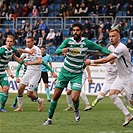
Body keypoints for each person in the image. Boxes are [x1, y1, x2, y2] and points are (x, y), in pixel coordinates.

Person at [43, 22, 111, 125]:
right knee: (56, 95)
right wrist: (62, 50)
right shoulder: (68, 41)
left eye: (77, 30)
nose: (75, 32)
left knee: (75, 97)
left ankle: (76, 110)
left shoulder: (86, 42)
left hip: (77, 74)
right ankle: (49, 119)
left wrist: (112, 54)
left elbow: (100, 48)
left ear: (81, 31)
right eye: (74, 30)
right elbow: (57, 51)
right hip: (65, 72)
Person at [85, 28, 133, 126]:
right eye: (110, 36)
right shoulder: (111, 47)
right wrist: (91, 52)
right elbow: (106, 54)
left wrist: (91, 61)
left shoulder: (121, 48)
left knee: (132, 101)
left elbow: (106, 60)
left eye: (113, 36)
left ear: (119, 37)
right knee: (112, 94)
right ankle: (128, 115)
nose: (111, 38)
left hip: (129, 77)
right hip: (120, 76)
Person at [92, 45, 133, 111]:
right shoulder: (106, 63)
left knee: (125, 94)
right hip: (108, 82)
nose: (111, 60)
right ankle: (96, 100)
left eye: (113, 59)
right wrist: (89, 63)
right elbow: (97, 64)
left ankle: (128, 107)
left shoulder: (117, 64)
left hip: (117, 80)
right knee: (101, 96)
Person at [0, 35, 34, 112]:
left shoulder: (12, 50)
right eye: (7, 41)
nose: (9, 43)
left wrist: (28, 53)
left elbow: (19, 50)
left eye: (10, 41)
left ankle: (1, 107)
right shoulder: (2, 50)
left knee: (6, 88)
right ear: (6, 42)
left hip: (2, 72)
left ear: (13, 42)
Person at [13, 36, 44, 112]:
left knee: (29, 93)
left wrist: (30, 63)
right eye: (26, 42)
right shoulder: (26, 50)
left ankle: (40, 101)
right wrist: (13, 56)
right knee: (20, 88)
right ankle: (20, 107)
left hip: (36, 72)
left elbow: (40, 61)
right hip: (28, 71)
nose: (27, 43)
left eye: (29, 42)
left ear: (33, 42)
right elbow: (20, 61)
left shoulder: (37, 49)